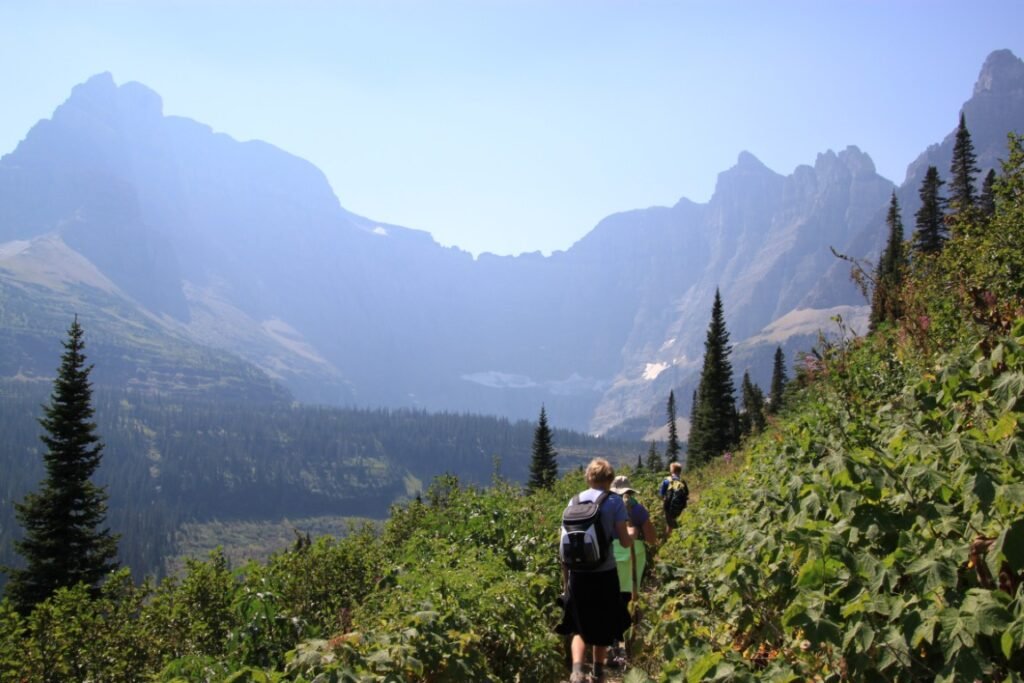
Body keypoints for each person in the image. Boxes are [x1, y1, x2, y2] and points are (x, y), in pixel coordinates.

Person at [556, 458, 633, 683]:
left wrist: (566, 582)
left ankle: (577, 671)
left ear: (588, 477)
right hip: (604, 573)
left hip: (578, 575)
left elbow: (564, 544)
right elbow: (625, 542)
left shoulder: (574, 501)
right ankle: (598, 672)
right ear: (610, 479)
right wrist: (631, 534)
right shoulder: (614, 502)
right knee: (603, 624)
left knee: (579, 626)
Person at [606, 475, 657, 667]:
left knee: (611, 597)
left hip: (610, 556)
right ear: (629, 492)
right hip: (634, 556)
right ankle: (627, 643)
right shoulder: (637, 509)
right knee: (628, 597)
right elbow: (652, 538)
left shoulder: (606, 508)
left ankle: (612, 643)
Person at [658, 461, 686, 533]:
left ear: (671, 470)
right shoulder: (682, 481)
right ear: (680, 471)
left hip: (668, 506)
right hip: (680, 508)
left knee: (669, 525)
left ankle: (668, 540)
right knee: (677, 522)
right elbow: (686, 494)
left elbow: (661, 495)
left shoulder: (667, 481)